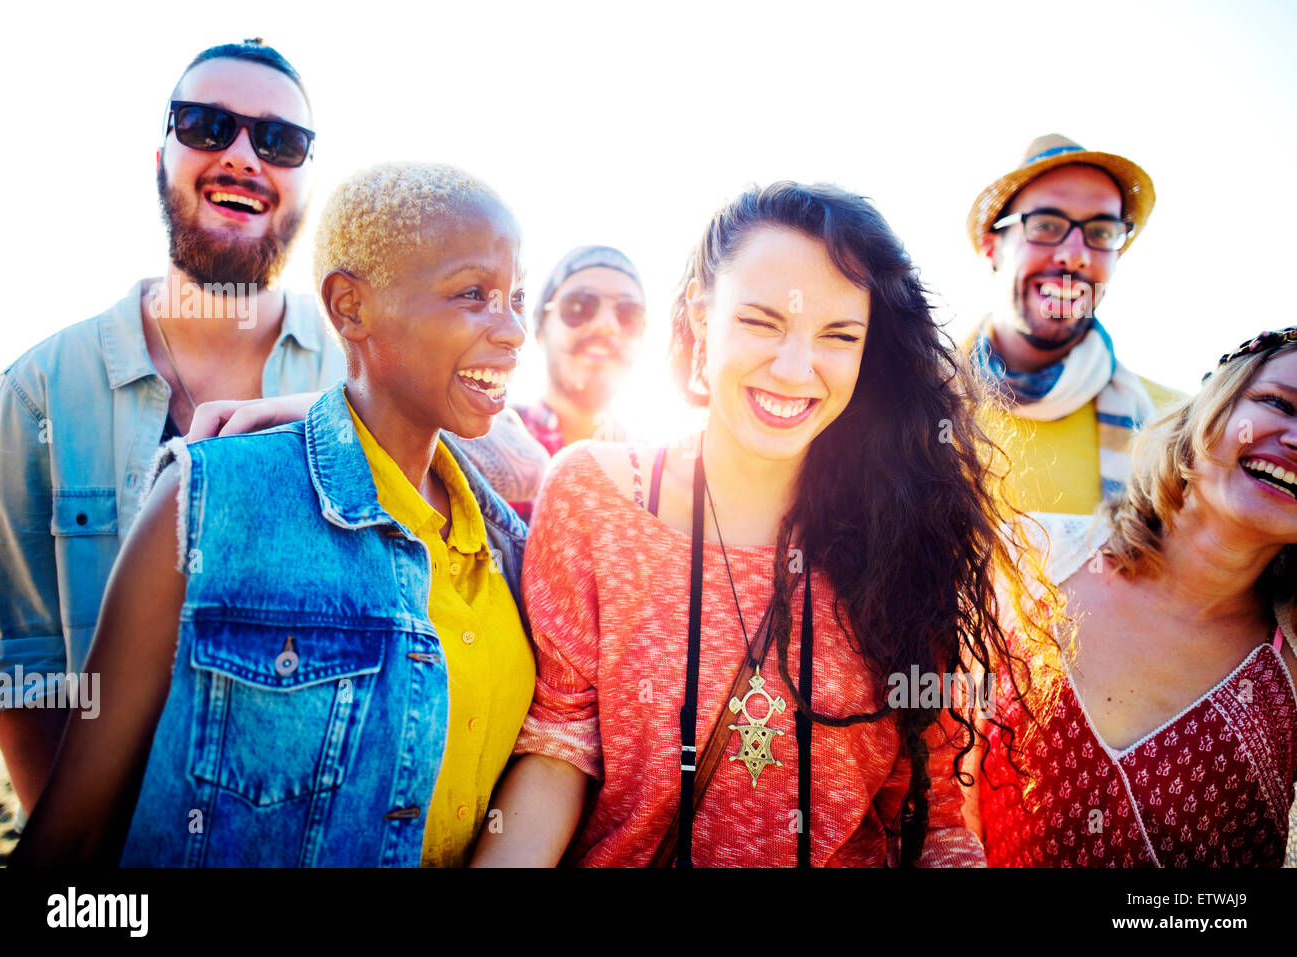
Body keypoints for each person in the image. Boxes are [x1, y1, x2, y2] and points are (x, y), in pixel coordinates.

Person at [0, 40, 546, 816]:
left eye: (280, 141)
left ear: (306, 183)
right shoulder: (38, 392)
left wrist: (338, 412)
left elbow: (516, 460)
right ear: (161, 156)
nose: (245, 156)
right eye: (207, 126)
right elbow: (24, 665)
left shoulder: (369, 352)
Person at [472, 181, 1051, 868]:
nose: (795, 368)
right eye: (762, 321)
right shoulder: (595, 494)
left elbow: (933, 824)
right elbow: (558, 747)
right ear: (700, 315)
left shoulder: (914, 535)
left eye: (840, 335)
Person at [969, 328, 1297, 867]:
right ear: (1211, 404)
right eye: (1279, 403)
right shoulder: (1031, 558)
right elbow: (933, 801)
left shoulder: (1289, 673)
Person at [967, 133, 1183, 514]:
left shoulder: (1171, 428)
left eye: (1100, 232)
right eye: (1046, 225)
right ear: (991, 248)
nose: (1075, 256)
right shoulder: (915, 396)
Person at [508, 245, 647, 521]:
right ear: (538, 326)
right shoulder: (482, 447)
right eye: (579, 306)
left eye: (628, 313)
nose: (607, 325)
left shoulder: (664, 471)